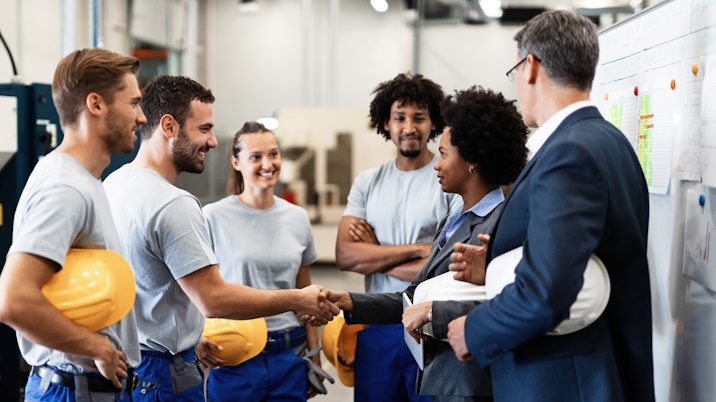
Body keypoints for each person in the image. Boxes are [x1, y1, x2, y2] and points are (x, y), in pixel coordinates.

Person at [445, 10, 655, 402]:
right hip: (599, 371)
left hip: (562, 381)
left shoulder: (567, 155)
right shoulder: (610, 142)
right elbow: (579, 256)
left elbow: (546, 292)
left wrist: (473, 330)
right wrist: (494, 267)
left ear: (530, 67)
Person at [103, 75, 336, 401]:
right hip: (165, 372)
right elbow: (213, 300)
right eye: (204, 129)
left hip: (132, 359)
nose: (212, 141)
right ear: (169, 127)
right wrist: (298, 299)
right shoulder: (175, 204)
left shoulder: (113, 185)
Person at [317, 87, 528, 402]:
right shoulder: (455, 219)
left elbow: (514, 305)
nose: (436, 165)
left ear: (472, 160)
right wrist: (348, 300)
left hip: (469, 382)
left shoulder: (502, 224)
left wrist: (434, 313)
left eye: (443, 154)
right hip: (439, 375)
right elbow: (412, 296)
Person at [0, 48, 146, 401]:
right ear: (95, 104)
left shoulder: (82, 179)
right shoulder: (65, 188)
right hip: (73, 389)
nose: (142, 117)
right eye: (134, 103)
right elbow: (13, 300)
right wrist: (98, 347)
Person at [335, 72, 462, 402]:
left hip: (431, 326)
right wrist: (421, 251)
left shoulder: (449, 179)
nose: (409, 127)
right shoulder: (367, 182)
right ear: (386, 124)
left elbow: (446, 268)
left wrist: (375, 256)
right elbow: (346, 256)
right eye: (400, 118)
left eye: (419, 118)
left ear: (433, 122)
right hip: (377, 324)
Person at [197, 121, 323, 401]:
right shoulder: (212, 217)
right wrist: (195, 338)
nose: (268, 163)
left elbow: (306, 294)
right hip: (234, 356)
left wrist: (314, 354)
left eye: (273, 154)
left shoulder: (297, 218)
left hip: (290, 356)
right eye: (256, 157)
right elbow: (194, 290)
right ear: (236, 162)